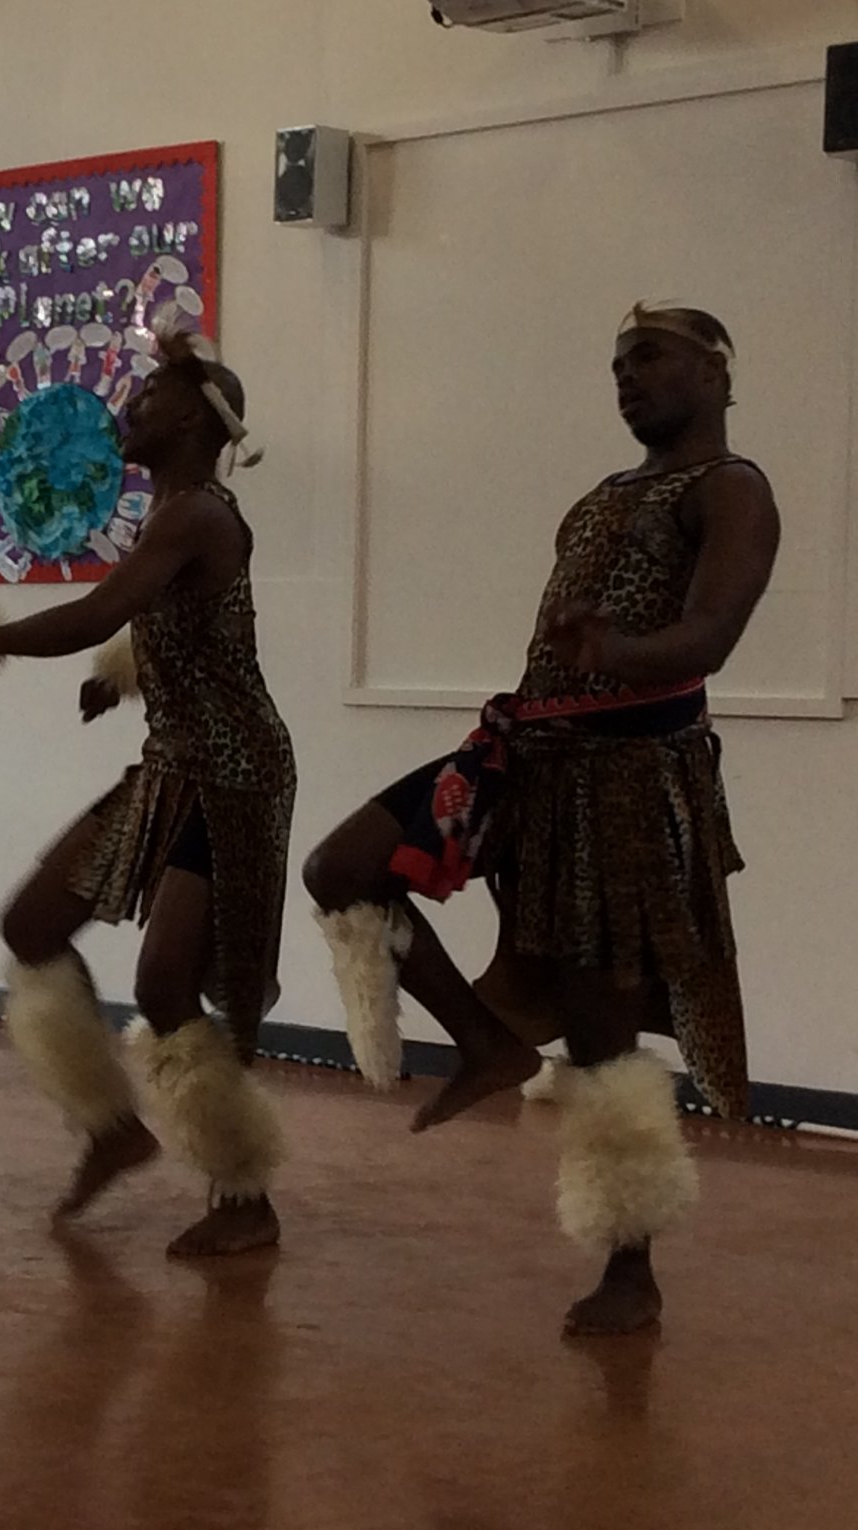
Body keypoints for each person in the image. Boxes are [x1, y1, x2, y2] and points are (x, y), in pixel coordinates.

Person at [301, 304, 780, 1335]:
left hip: (626, 775)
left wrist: (611, 649)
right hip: (524, 757)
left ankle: (628, 1270)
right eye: (614, 363)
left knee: (602, 1032)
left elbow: (710, 635)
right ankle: (483, 1043)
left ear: (714, 370)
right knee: (341, 866)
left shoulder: (730, 489)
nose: (625, 378)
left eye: (647, 358)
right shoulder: (603, 495)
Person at [0, 313, 296, 1257]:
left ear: (202, 422)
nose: (130, 405)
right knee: (31, 927)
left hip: (233, 773)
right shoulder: (174, 517)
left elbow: (105, 603)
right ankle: (112, 1127)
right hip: (172, 764)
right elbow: (176, 621)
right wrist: (121, 669)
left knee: (168, 984)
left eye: (153, 396)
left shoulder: (196, 511)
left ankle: (242, 1195)